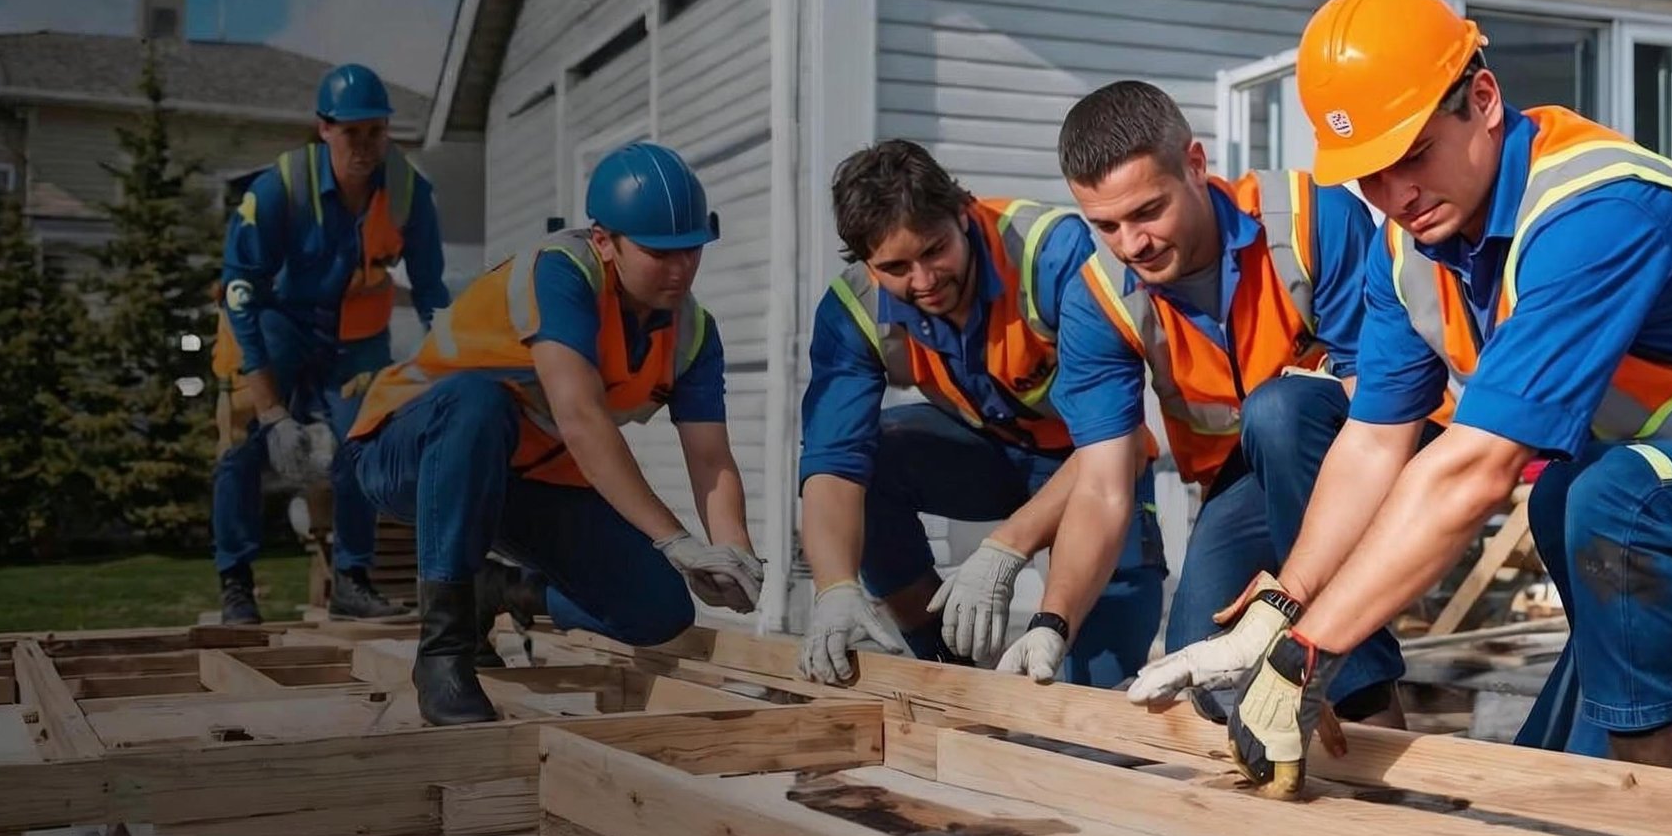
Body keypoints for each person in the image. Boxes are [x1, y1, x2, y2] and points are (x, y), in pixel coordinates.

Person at [1131, 0, 1672, 798]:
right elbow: (1371, 442)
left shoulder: (1597, 210)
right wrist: (1285, 607)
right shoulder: (1410, 253)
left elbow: (1475, 469)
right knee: (1556, 744)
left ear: (1482, 97)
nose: (1394, 195)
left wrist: (1306, 656)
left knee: (1610, 504)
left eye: (1413, 155)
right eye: (1369, 174)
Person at [996, 80, 1402, 728]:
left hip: (1353, 450)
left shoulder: (1307, 219)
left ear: (1195, 163)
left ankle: (1368, 705)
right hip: (1237, 481)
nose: (1132, 244)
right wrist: (1053, 619)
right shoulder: (1097, 300)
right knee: (1209, 682)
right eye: (1106, 225)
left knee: (1280, 410)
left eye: (1148, 211)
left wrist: (1315, 606)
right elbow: (1102, 489)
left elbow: (1379, 414)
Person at [344, 141, 766, 725]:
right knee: (478, 400)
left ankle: (505, 590)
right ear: (604, 242)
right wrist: (675, 540)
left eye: (692, 250)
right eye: (657, 252)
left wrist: (731, 551)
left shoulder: (693, 334)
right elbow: (581, 418)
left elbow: (710, 458)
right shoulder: (561, 275)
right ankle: (443, 652)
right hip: (410, 452)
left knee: (659, 610)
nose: (679, 269)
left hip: (527, 481)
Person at [794, 140, 1164, 688]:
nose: (923, 281)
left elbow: (1122, 441)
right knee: (878, 453)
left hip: (1096, 465)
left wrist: (1005, 549)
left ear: (963, 210)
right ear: (865, 261)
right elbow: (832, 465)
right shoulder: (852, 310)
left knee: (1100, 686)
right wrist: (834, 589)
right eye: (895, 267)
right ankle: (945, 655)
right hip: (990, 455)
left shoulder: (1053, 255)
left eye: (934, 250)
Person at [212, 63, 446, 625]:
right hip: (276, 324)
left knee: (363, 443)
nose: (365, 146)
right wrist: (271, 411)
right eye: (351, 133)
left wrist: (451, 367)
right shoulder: (278, 191)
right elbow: (240, 296)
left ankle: (352, 580)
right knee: (239, 443)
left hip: (356, 338)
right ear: (324, 129)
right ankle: (237, 586)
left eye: (376, 132)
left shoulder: (410, 194)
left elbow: (433, 292)